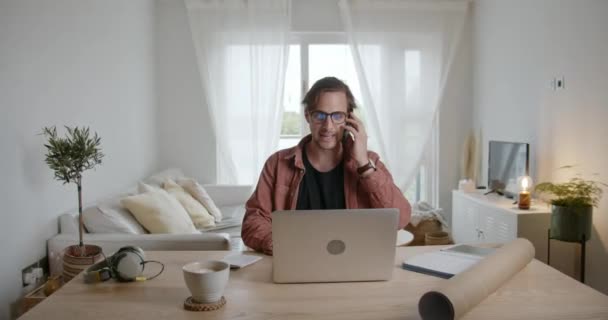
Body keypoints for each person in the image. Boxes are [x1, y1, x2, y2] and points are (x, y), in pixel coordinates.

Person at [241, 76, 412, 255]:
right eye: (320, 115)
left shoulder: (369, 163)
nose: (328, 126)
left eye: (337, 116)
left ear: (349, 119)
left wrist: (363, 165)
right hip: (296, 262)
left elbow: (400, 219)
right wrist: (282, 247)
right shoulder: (277, 164)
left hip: (354, 264)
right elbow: (253, 221)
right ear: (308, 116)